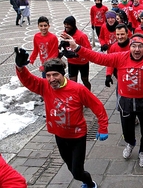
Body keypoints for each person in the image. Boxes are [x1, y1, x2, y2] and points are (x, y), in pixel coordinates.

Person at [61, 32, 143, 167]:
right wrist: (77, 47)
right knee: (127, 130)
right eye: (134, 46)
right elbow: (98, 58)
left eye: (140, 46)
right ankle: (130, 143)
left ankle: (142, 151)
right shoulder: (120, 57)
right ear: (130, 47)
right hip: (125, 101)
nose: (137, 50)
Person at [14, 55, 108, 188]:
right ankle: (83, 179)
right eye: (48, 75)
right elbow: (28, 80)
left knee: (77, 172)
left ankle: (90, 183)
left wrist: (103, 127)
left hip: (77, 137)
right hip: (59, 136)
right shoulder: (44, 86)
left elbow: (97, 106)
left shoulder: (78, 89)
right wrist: (20, 67)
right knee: (70, 167)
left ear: (63, 74)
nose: (52, 79)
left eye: (55, 75)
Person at [60, 16, 92, 91]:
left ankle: (89, 93)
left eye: (68, 25)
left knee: (85, 80)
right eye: (65, 24)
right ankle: (75, 96)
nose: (66, 26)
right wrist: (63, 47)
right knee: (72, 81)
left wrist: (76, 54)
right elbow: (66, 46)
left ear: (73, 25)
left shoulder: (81, 36)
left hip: (83, 62)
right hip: (72, 62)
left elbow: (89, 50)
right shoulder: (65, 33)